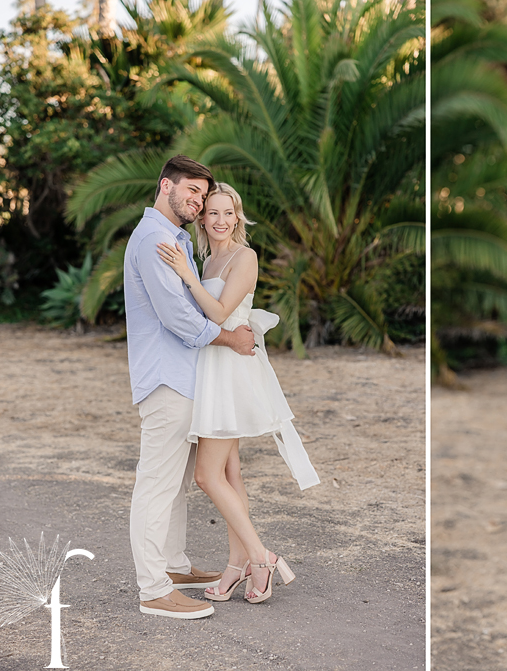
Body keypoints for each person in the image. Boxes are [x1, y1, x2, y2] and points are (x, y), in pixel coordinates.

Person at [157, 182, 320, 605]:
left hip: (230, 372)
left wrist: (185, 275)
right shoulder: (210, 259)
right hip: (209, 369)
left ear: (239, 216)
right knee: (230, 475)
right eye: (213, 212)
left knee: (205, 476)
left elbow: (218, 313)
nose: (221, 220)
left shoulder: (243, 257)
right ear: (202, 217)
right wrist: (193, 272)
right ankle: (235, 566)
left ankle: (260, 556)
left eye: (229, 213)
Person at [125, 155, 257, 619]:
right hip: (166, 376)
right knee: (157, 483)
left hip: (186, 374)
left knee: (178, 480)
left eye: (203, 195)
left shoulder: (177, 239)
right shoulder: (155, 239)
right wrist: (230, 339)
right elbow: (178, 316)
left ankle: (175, 565)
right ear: (165, 186)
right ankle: (153, 589)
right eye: (192, 192)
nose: (198, 202)